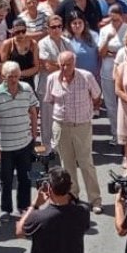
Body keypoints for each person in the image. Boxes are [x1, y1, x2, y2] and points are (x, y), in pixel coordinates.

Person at [16, 166, 91, 253]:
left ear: (49, 189)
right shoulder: (82, 212)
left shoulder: (38, 218)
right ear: (70, 187)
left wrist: (35, 205)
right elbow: (78, 207)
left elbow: (20, 231)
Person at [46, 51, 103, 212]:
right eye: (62, 64)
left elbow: (97, 96)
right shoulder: (52, 79)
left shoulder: (86, 77)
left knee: (86, 163)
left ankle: (95, 200)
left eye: (68, 64)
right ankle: (71, 197)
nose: (65, 68)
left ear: (75, 63)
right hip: (61, 126)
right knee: (67, 164)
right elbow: (50, 101)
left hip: (82, 126)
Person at [0, 61, 40, 223]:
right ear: (3, 76)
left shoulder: (27, 89)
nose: (14, 80)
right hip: (5, 146)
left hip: (24, 142)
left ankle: (24, 207)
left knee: (25, 177)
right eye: (10, 77)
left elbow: (33, 111)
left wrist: (33, 135)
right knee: (6, 179)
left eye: (17, 76)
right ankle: (6, 210)